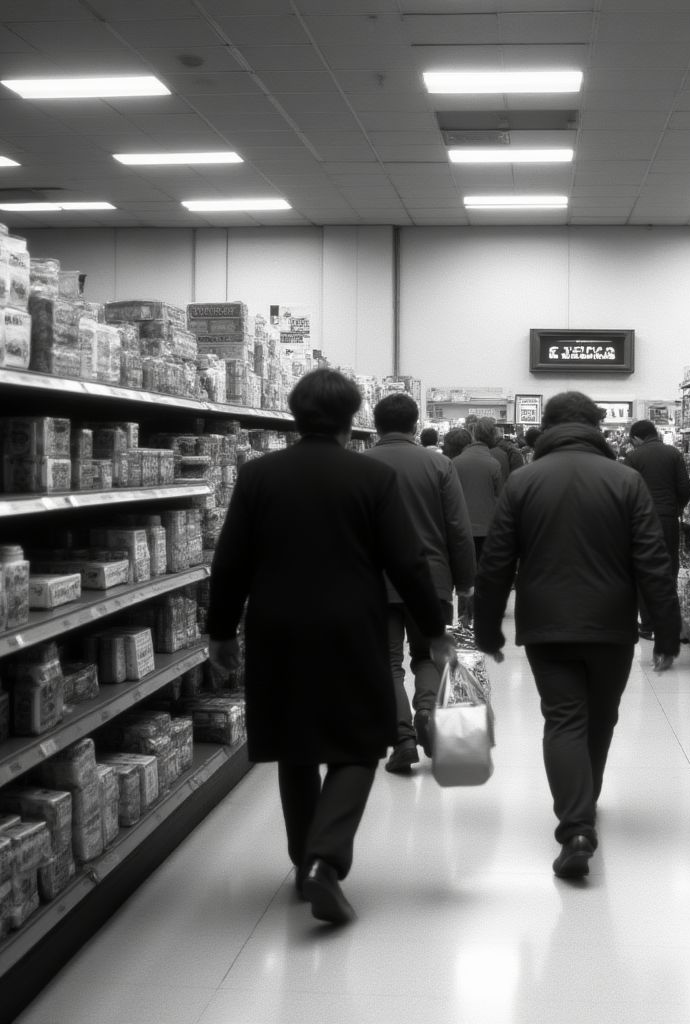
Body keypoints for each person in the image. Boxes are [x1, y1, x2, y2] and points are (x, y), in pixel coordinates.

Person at [207, 368, 455, 926]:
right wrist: (435, 629)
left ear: (295, 414)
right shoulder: (369, 477)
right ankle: (326, 859)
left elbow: (232, 561)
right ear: (352, 418)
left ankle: (303, 863)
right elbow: (407, 562)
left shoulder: (258, 475)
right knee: (358, 743)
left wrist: (220, 630)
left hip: (277, 625)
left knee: (295, 746)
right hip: (350, 625)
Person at [473, 391, 681, 879]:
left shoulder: (523, 481)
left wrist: (487, 629)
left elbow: (497, 562)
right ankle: (585, 802)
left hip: (547, 624)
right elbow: (653, 562)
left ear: (546, 426)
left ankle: (576, 826)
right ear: (595, 426)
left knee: (563, 718)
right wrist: (667, 633)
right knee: (602, 717)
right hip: (612, 624)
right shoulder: (626, 480)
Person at [363, 393, 476, 773]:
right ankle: (426, 711)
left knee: (387, 661)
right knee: (427, 655)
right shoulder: (440, 464)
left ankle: (402, 739)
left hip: (376, 581)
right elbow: (458, 529)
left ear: (376, 425)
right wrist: (465, 582)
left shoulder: (358, 466)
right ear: (414, 426)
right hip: (432, 579)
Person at [623, 419, 690, 664]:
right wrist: (675, 508)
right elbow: (685, 488)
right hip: (667, 520)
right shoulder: (673, 454)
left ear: (637, 438)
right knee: (668, 569)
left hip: (641, 521)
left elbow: (626, 491)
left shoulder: (633, 457)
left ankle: (648, 623)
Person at [452, 421, 503, 562]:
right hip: (487, 527)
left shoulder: (455, 462)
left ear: (473, 435)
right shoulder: (494, 464)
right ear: (493, 436)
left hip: (461, 527)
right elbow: (499, 497)